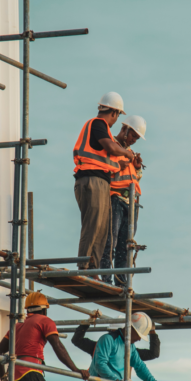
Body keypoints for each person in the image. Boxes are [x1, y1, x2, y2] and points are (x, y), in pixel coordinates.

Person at [74, 92, 136, 272]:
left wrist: (123, 162)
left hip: (99, 181)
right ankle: (84, 267)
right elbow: (110, 147)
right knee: (93, 225)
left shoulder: (103, 130)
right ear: (115, 112)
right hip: (90, 180)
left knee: (102, 229)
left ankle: (93, 268)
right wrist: (126, 153)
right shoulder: (98, 124)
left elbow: (106, 158)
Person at [99, 116, 147, 287]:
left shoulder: (130, 153)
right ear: (125, 129)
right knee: (109, 240)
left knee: (125, 246)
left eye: (136, 138)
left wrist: (138, 167)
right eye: (133, 136)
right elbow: (106, 168)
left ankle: (121, 282)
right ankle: (105, 278)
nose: (134, 140)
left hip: (130, 202)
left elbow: (135, 178)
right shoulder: (110, 144)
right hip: (115, 198)